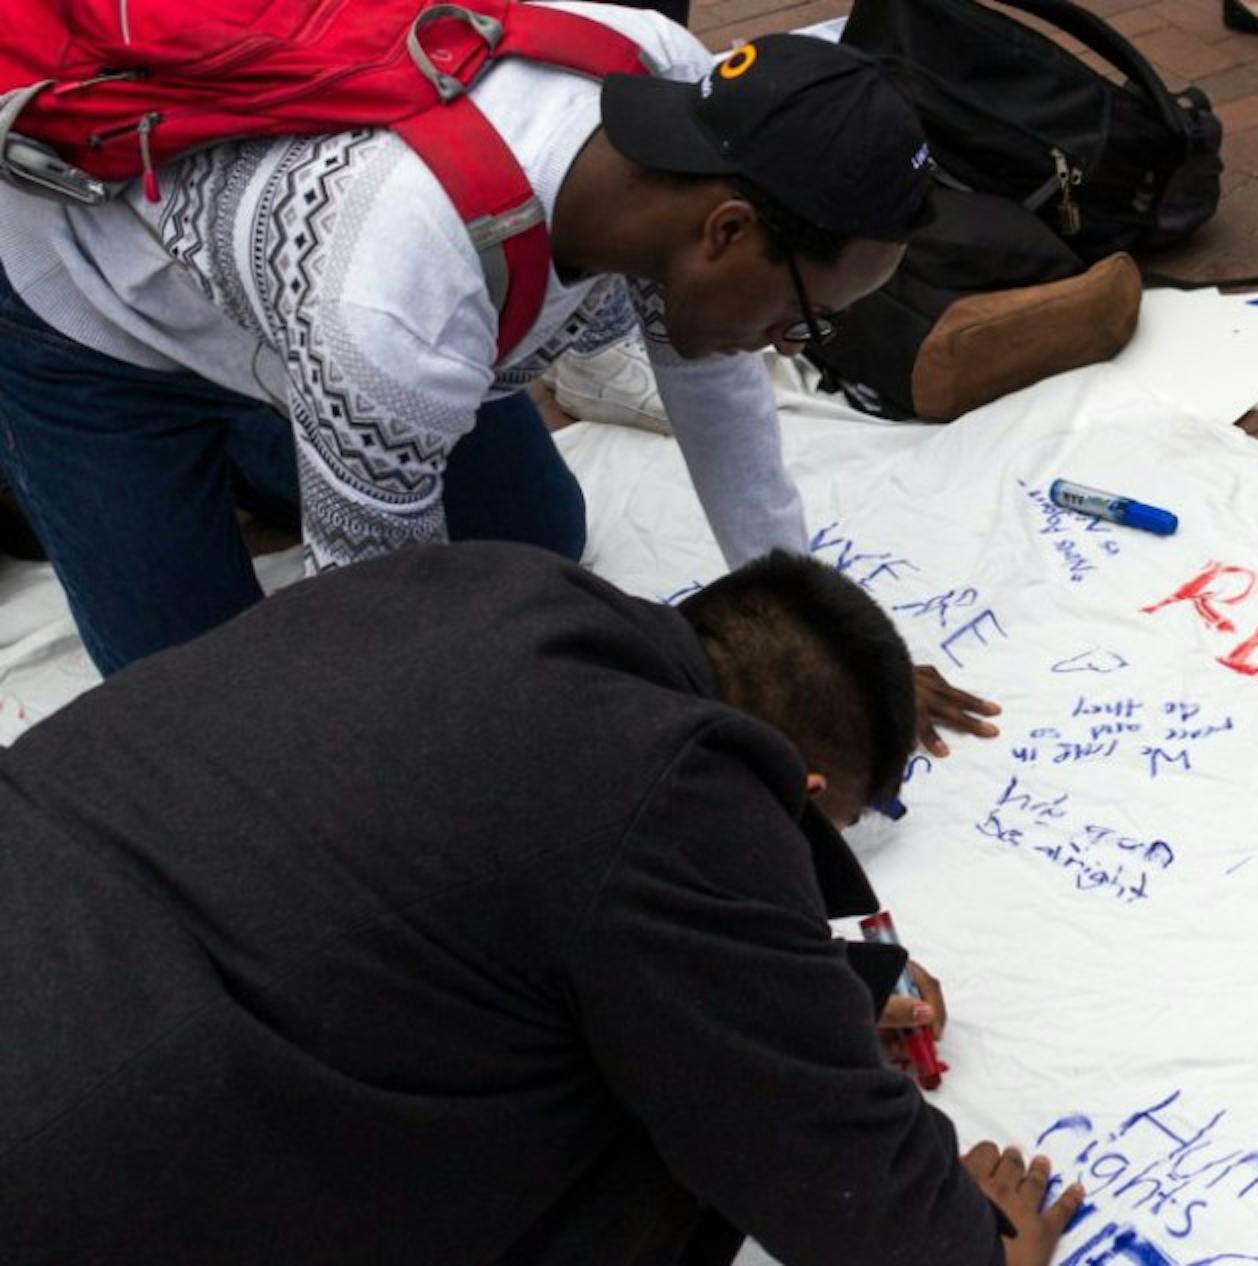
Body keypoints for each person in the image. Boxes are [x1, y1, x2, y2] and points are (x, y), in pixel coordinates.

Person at [0, 540, 1083, 1265]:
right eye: (819, 845)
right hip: (89, 1160)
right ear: (794, 789)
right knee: (655, 1157)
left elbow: (490, 876)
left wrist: (831, 980)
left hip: (53, 916)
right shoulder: (678, 782)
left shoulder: (482, 584)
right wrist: (974, 1244)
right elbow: (822, 1170)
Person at [0, 14, 924, 685]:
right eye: (801, 316)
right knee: (203, 704)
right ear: (726, 230)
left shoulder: (671, 84)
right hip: (94, 324)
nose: (784, 345)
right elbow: (375, 643)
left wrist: (820, 640)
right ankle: (185, 451)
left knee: (538, 544)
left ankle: (278, 442)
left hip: (318, 312)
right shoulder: (396, 310)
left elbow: (714, 383)